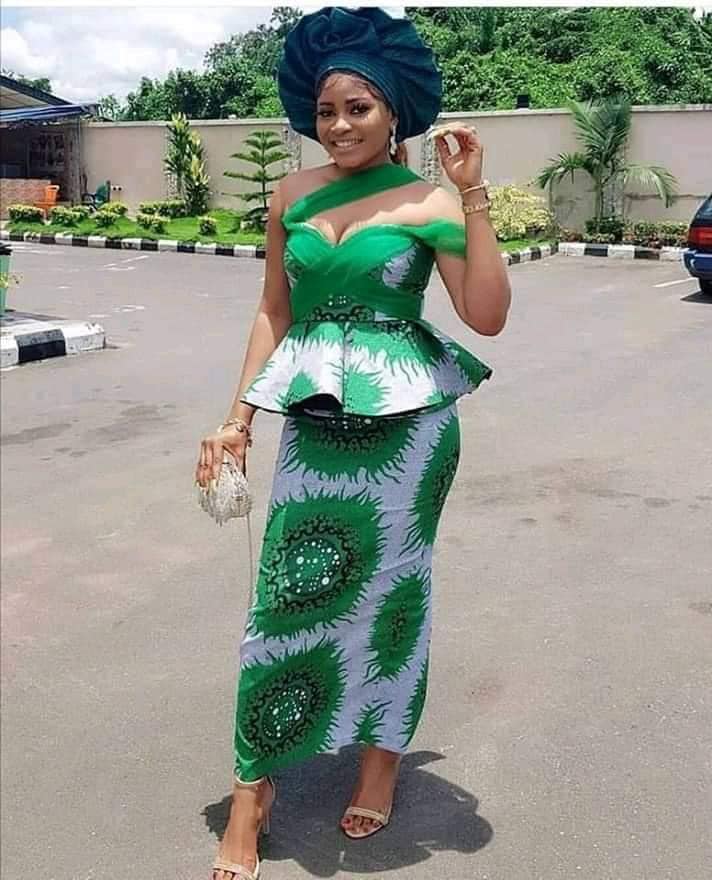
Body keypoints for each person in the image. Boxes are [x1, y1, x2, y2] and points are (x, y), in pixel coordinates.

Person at [195, 7, 511, 879]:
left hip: (411, 433)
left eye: (359, 108)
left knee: (390, 595)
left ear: (393, 111)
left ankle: (380, 760)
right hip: (316, 421)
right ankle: (252, 792)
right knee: (283, 599)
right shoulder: (291, 196)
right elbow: (274, 310)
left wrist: (473, 194)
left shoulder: (431, 200)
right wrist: (237, 419)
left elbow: (486, 314)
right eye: (327, 111)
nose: (339, 126)